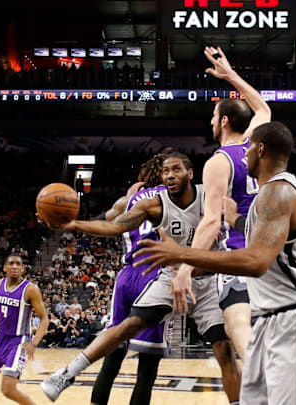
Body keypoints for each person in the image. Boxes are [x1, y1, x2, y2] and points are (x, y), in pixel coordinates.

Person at [134, 122, 296, 405]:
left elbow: (256, 261)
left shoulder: (278, 191)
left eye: (249, 148)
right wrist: (234, 221)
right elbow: (264, 240)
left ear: (261, 149)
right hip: (271, 315)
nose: (244, 156)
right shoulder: (266, 196)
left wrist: (183, 255)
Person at [40, 151, 240, 404]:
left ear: (190, 173)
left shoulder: (208, 195)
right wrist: (74, 225)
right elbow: (115, 226)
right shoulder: (153, 204)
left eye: (176, 169)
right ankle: (67, 374)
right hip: (171, 277)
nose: (169, 175)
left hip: (209, 280)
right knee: (130, 324)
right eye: (165, 171)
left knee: (224, 349)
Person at [171, 46, 270, 362]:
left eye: (214, 117)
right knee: (266, 326)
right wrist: (231, 76)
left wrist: (186, 266)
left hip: (239, 253)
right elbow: (263, 109)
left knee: (236, 321)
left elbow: (212, 220)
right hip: (271, 253)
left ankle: (263, 376)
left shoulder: (219, 161)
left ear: (224, 121)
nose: (211, 122)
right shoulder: (256, 145)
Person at [90, 152, 169, 405]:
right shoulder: (171, 196)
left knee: (112, 354)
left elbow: (108, 219)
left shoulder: (130, 198)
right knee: (147, 367)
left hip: (127, 276)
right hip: (154, 276)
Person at [0, 255, 49, 405]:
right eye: (11, 263)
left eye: (18, 264)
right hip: (0, 337)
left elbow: (44, 319)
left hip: (19, 341)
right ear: (5, 268)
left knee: (8, 389)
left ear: (23, 269)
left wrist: (34, 343)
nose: (14, 266)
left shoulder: (31, 290)